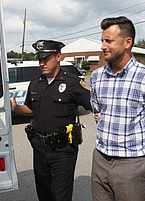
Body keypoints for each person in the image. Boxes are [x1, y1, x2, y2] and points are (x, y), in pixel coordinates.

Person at [90, 16, 145, 201]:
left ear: (127, 42)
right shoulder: (96, 77)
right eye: (102, 40)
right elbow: (97, 111)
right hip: (100, 160)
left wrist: (142, 155)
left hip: (132, 165)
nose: (103, 46)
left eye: (108, 41)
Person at [11, 40, 92, 201]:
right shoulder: (35, 84)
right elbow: (31, 109)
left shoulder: (73, 83)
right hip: (40, 148)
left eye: (46, 59)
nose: (42, 63)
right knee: (44, 194)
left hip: (63, 150)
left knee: (60, 196)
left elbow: (94, 105)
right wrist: (17, 108)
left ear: (58, 57)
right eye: (39, 59)